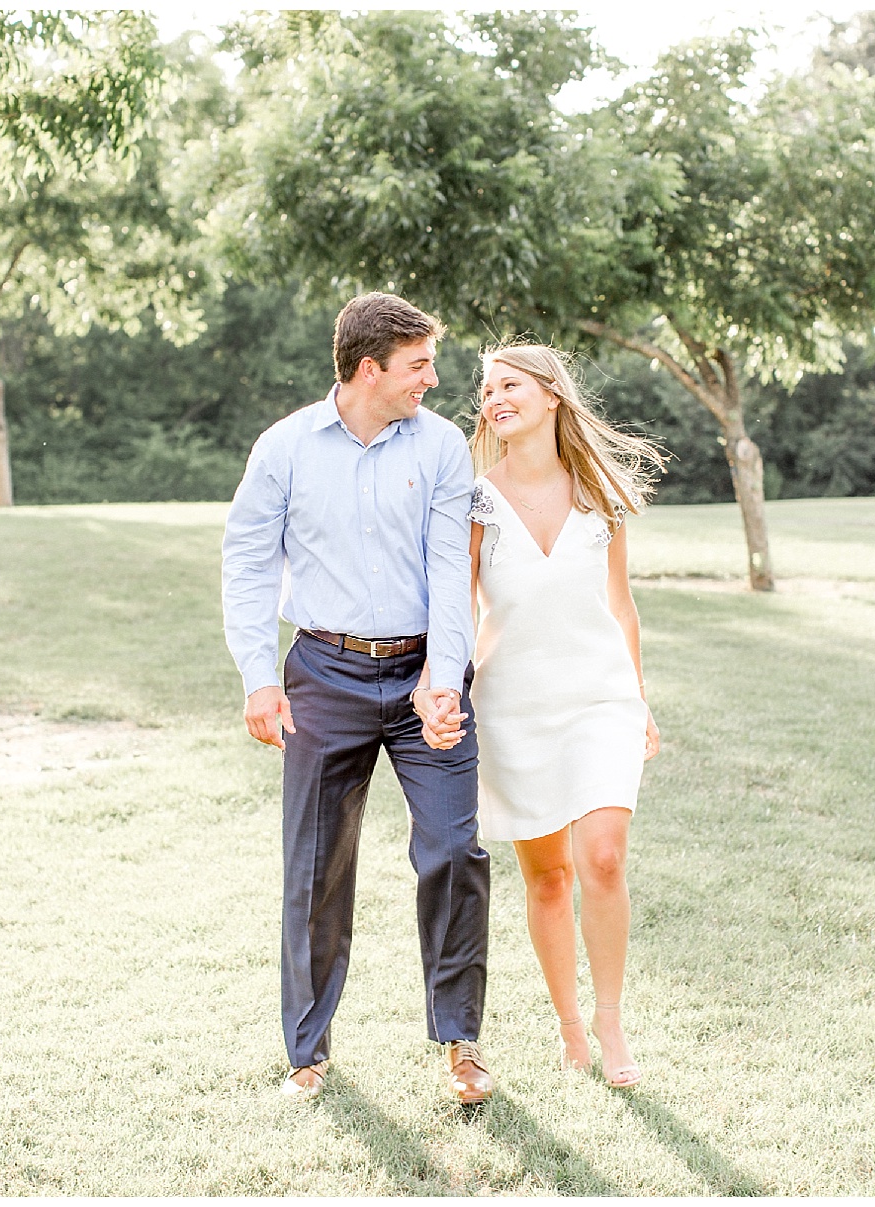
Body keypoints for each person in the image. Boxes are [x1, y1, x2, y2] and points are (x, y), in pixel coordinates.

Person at [220, 292, 494, 1105]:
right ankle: (307, 1052)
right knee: (315, 868)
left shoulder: (442, 447)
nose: (433, 380)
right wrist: (257, 677)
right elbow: (246, 563)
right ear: (368, 368)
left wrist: (444, 681)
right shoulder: (285, 448)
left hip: (424, 675)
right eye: (418, 366)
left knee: (453, 850)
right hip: (322, 676)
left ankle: (460, 1042)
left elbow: (452, 569)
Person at [420, 343, 662, 1088]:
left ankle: (611, 1020)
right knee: (549, 876)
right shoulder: (474, 498)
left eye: (510, 384)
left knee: (603, 855)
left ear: (552, 395)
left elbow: (621, 606)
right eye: (486, 388)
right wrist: (439, 684)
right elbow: (456, 606)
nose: (493, 397)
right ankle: (568, 1027)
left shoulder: (601, 493)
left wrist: (641, 700)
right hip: (512, 706)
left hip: (601, 698)